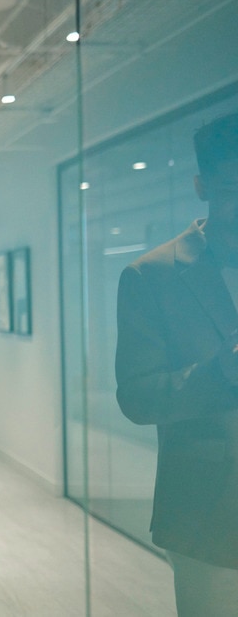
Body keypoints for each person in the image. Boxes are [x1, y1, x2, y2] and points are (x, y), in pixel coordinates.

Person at [115, 112, 238, 616]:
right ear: (201, 185)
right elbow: (137, 396)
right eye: (233, 186)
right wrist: (224, 371)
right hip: (209, 516)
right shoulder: (152, 275)